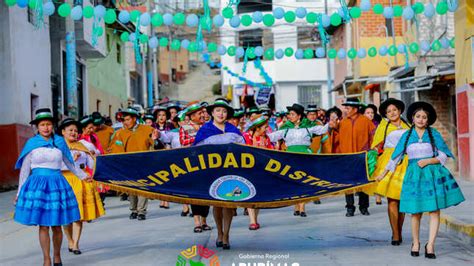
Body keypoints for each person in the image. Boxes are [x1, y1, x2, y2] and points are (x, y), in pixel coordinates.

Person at [377, 101, 465, 259]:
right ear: (412, 118)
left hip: (432, 174)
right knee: (415, 211)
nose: (421, 119)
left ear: (428, 120)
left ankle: (430, 245)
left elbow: (443, 155)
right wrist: (383, 174)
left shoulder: (433, 134)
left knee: (434, 210)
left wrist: (429, 161)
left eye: (424, 117)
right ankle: (416, 242)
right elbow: (395, 157)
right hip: (414, 176)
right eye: (418, 116)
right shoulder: (406, 135)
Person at [14, 108, 92, 266]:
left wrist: (84, 176)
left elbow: (70, 164)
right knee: (43, 226)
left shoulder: (59, 142)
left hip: (57, 184)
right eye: (42, 124)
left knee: (57, 225)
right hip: (38, 186)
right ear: (37, 126)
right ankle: (46, 259)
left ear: (53, 125)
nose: (45, 128)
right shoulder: (32, 143)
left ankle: (57, 256)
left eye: (48, 124)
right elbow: (25, 170)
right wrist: (19, 191)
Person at [193, 99, 246, 250]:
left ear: (227, 113)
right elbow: (196, 151)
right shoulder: (205, 130)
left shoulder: (234, 130)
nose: (221, 114)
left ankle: (227, 235)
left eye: (223, 111)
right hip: (213, 172)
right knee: (216, 204)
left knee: (228, 204)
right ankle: (219, 233)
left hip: (231, 171)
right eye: (218, 111)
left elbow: (245, 149)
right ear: (212, 113)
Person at [268, 103, 331, 217]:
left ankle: (302, 208)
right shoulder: (285, 128)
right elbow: (272, 136)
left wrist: (331, 122)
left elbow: (323, 130)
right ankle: (296, 206)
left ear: (299, 116)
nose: (289, 116)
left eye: (292, 114)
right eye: (289, 114)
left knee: (303, 181)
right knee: (293, 182)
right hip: (290, 157)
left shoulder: (308, 126)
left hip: (304, 157)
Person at [59, 118, 105, 255]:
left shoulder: (84, 146)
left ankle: (76, 244)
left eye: (75, 130)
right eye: (70, 130)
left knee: (79, 214)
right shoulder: (57, 147)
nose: (73, 133)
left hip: (81, 181)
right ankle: (70, 240)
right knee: (66, 215)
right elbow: (54, 165)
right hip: (64, 180)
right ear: (63, 132)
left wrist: (98, 176)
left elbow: (92, 164)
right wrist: (71, 160)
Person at [110, 107, 161, 220]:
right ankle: (133, 209)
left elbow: (155, 144)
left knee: (142, 187)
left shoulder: (147, 129)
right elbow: (117, 149)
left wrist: (155, 140)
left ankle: (141, 211)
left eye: (127, 119)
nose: (125, 122)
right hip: (129, 164)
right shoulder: (120, 133)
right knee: (131, 188)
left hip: (144, 163)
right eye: (123, 120)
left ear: (134, 118)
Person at [371, 98, 410, 245]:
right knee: (392, 199)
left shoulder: (409, 125)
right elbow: (375, 146)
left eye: (394, 110)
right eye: (389, 111)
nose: (392, 113)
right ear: (385, 114)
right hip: (389, 163)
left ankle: (398, 230)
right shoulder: (383, 126)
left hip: (407, 162)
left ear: (399, 111)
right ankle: (395, 234)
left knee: (402, 199)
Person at [338, 98, 375, 217]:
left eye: (348, 108)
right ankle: (349, 208)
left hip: (362, 156)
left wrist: (370, 150)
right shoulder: (343, 122)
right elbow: (336, 139)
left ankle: (364, 207)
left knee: (363, 182)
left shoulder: (366, 121)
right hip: (347, 157)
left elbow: (374, 137)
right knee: (348, 183)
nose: (346, 110)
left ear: (355, 109)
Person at [179, 103, 210, 227]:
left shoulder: (208, 127)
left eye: (203, 113)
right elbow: (183, 142)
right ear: (192, 116)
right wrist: (198, 137)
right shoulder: (185, 127)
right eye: (199, 113)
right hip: (192, 163)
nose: (202, 115)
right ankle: (197, 222)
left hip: (208, 163)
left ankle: (204, 221)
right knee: (194, 192)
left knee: (207, 192)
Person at [243, 114, 274, 230]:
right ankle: (252, 221)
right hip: (248, 170)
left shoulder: (266, 138)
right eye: (265, 127)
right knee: (250, 194)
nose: (267, 129)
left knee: (257, 195)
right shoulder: (245, 137)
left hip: (261, 170)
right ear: (257, 127)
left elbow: (271, 152)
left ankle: (255, 219)